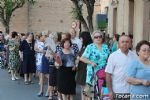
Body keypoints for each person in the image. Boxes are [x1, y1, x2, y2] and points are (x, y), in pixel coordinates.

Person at [105, 35, 137, 100]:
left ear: (130, 44)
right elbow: (108, 74)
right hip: (117, 91)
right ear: (119, 44)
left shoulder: (134, 56)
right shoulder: (113, 56)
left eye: (127, 42)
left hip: (131, 91)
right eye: (122, 42)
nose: (125, 43)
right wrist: (110, 91)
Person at [80, 30, 110, 99]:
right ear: (93, 38)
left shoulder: (105, 47)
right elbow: (82, 58)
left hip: (103, 72)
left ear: (102, 37)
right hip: (92, 72)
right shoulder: (90, 47)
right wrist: (91, 62)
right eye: (96, 37)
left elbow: (110, 58)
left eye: (100, 36)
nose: (98, 38)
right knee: (89, 93)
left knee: (103, 92)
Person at [76, 31, 93, 100]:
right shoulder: (83, 46)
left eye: (81, 38)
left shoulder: (91, 47)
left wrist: (79, 58)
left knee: (88, 90)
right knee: (83, 88)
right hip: (81, 69)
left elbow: (88, 58)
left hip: (87, 70)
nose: (80, 39)